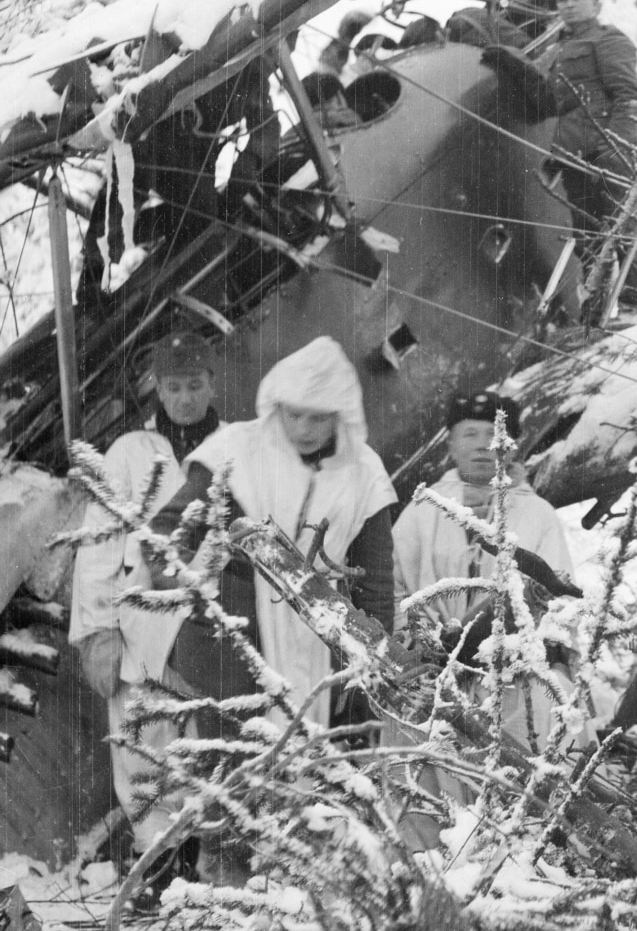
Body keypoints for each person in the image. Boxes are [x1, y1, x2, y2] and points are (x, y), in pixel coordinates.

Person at [157, 335, 397, 736]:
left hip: (323, 648)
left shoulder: (364, 475)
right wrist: (192, 596)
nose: (303, 429)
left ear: (340, 414)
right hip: (233, 651)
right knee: (234, 776)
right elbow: (166, 531)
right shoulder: (237, 451)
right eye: (294, 415)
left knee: (316, 773)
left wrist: (366, 667)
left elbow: (374, 587)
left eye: (317, 418)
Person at [69, 333, 222, 865]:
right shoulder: (131, 453)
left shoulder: (232, 448)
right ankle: (157, 865)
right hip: (138, 631)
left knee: (208, 747)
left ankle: (207, 870)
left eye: (195, 385)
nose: (184, 399)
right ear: (158, 388)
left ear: (212, 382)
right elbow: (98, 545)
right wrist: (97, 631)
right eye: (174, 387)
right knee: (143, 755)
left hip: (209, 629)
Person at [393, 390, 576, 751]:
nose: (482, 445)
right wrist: (415, 647)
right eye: (470, 434)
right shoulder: (421, 509)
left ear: (512, 444)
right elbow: (395, 588)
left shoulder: (538, 514)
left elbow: (557, 600)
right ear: (451, 443)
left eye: (493, 434)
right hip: (431, 669)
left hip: (513, 673)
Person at [537, 0, 637, 316]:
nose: (569, 5)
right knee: (586, 236)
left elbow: (628, 97)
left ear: (596, 3)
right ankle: (595, 311)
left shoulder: (608, 40)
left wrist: (616, 147)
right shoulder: (555, 51)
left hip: (609, 150)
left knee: (623, 225)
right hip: (573, 157)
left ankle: (631, 305)